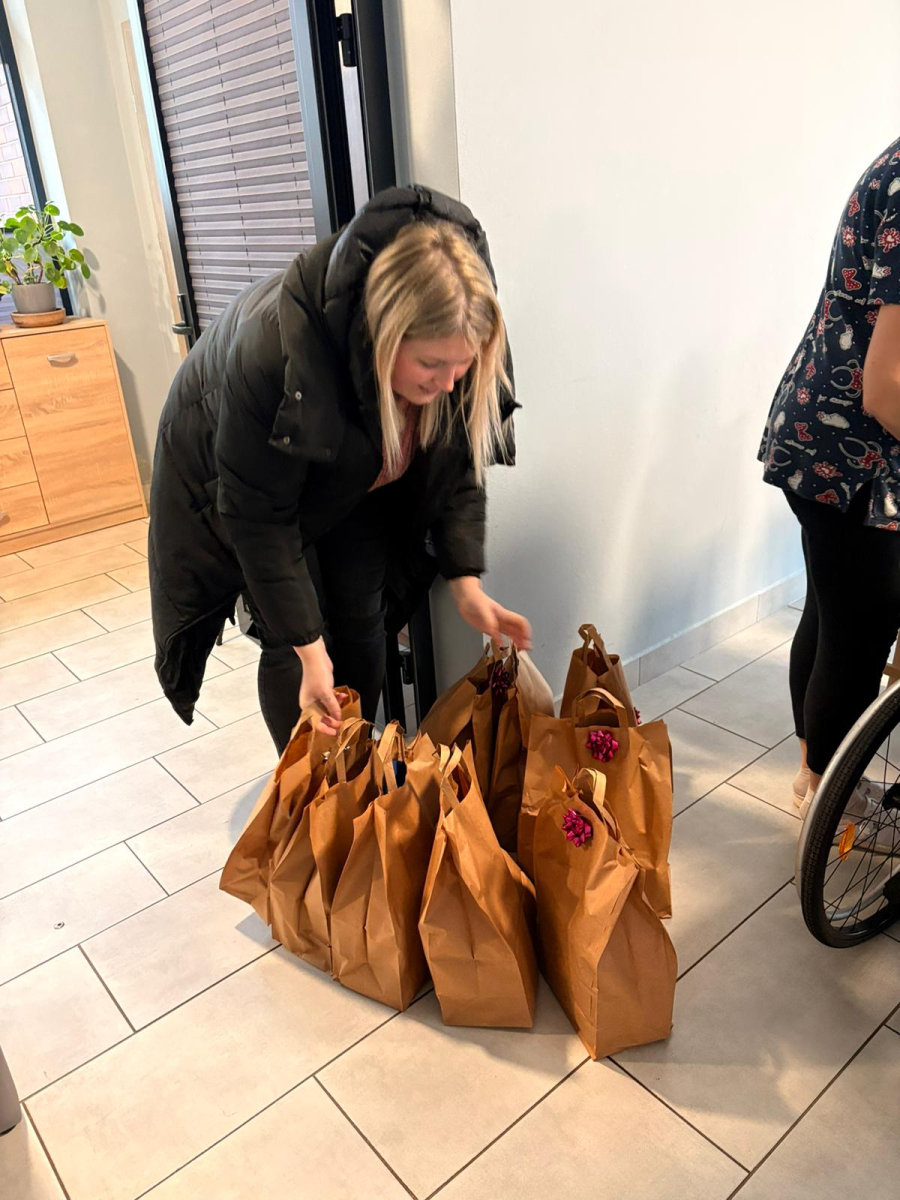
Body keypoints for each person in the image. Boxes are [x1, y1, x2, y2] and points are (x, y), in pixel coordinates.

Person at [149, 186, 531, 751]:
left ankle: (356, 764)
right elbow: (261, 519)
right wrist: (309, 651)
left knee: (363, 620)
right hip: (256, 471)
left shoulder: (462, 330)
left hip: (355, 478)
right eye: (430, 365)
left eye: (462, 366)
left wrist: (467, 583)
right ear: (383, 334)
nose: (450, 384)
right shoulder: (275, 353)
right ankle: (310, 785)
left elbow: (456, 469)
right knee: (295, 641)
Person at [759, 136, 900, 817]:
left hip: (824, 435)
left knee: (832, 611)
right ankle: (828, 800)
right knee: (859, 630)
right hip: (852, 454)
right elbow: (887, 386)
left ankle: (813, 780)